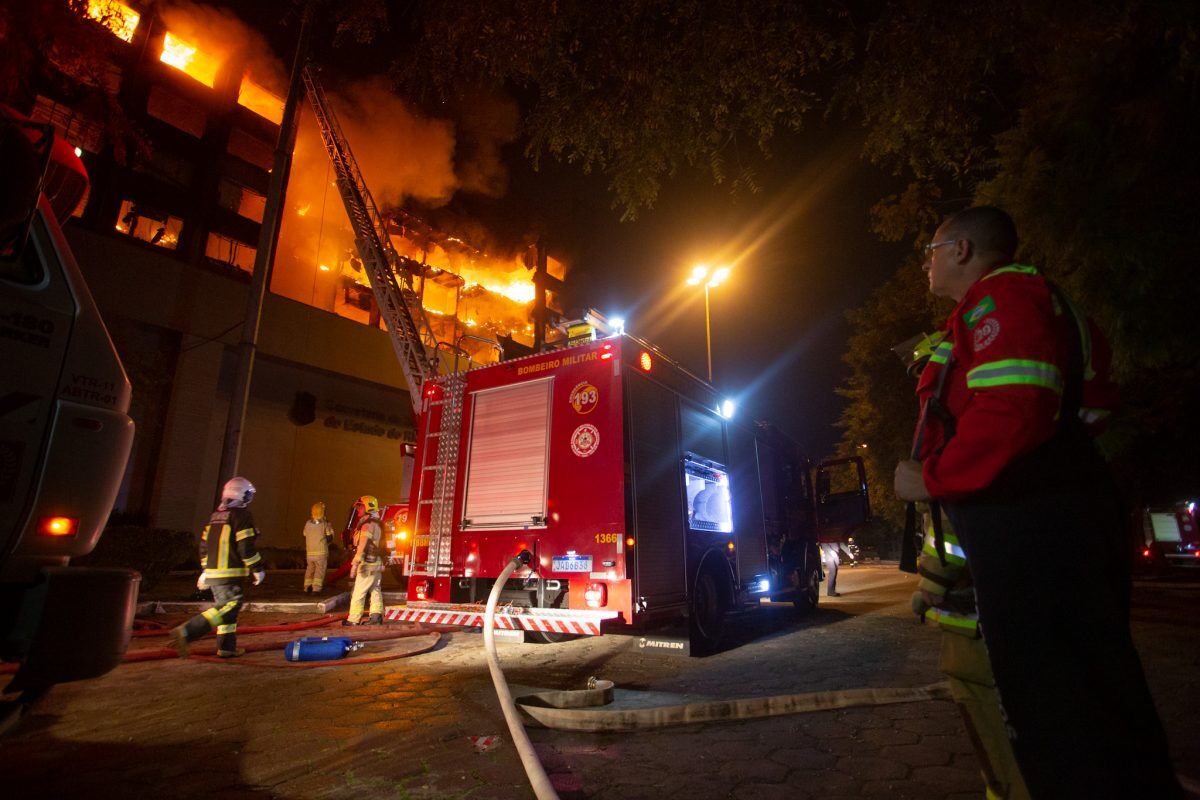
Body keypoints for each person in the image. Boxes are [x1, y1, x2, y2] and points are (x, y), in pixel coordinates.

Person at [893, 206, 1181, 798]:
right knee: (1099, 682)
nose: (926, 259)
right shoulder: (1037, 303)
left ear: (964, 250)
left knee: (1047, 694)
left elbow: (1014, 408)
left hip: (1027, 518)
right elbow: (1094, 408)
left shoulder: (1001, 302)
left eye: (933, 246)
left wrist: (934, 478)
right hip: (1056, 506)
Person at [903, 332, 1030, 800]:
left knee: (1001, 748)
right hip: (1012, 614)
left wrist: (932, 583)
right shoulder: (1001, 431)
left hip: (976, 624)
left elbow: (953, 529)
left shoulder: (952, 433)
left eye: (924, 379)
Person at [169, 477, 266, 658]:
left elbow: (204, 546)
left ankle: (226, 647)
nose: (249, 499)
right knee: (228, 606)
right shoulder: (242, 516)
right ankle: (187, 632)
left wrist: (205, 571)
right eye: (248, 495)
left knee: (228, 614)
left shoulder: (215, 517)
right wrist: (257, 568)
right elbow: (245, 547)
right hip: (230, 572)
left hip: (215, 572)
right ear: (241, 494)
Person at [344, 494, 385, 626]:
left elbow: (362, 545)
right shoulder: (379, 523)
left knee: (359, 591)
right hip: (377, 562)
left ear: (367, 507)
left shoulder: (367, 525)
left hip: (367, 563)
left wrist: (355, 562)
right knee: (375, 589)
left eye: (360, 507)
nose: (358, 510)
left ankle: (353, 619)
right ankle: (376, 617)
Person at [302, 501, 335, 593]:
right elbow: (329, 537)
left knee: (310, 569)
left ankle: (307, 586)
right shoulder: (324, 524)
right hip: (321, 552)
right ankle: (316, 588)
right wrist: (330, 529)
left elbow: (304, 534)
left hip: (310, 553)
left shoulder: (308, 523)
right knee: (319, 571)